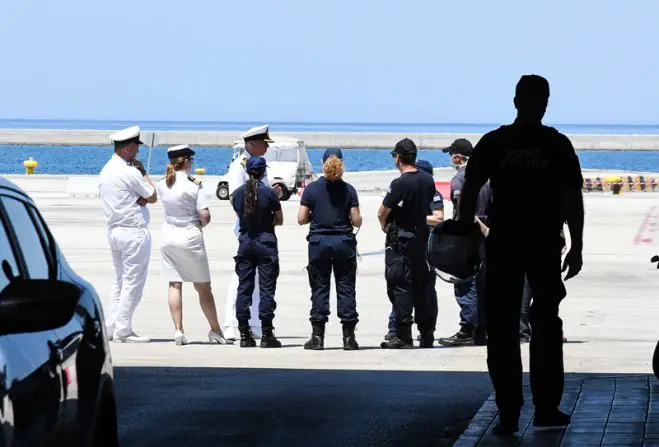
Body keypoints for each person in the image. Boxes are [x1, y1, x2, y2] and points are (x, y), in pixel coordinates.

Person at [456, 74, 584, 435]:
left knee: (502, 329)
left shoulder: (496, 142)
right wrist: (578, 244)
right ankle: (545, 408)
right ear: (544, 103)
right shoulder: (556, 145)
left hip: (505, 244)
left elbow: (470, 190)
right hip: (544, 244)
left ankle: (509, 412)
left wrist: (466, 231)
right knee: (545, 324)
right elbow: (572, 198)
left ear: (515, 101)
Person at [156, 144, 230, 346]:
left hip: (168, 234)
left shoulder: (162, 183)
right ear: (186, 161)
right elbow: (204, 215)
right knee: (203, 287)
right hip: (190, 235)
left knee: (174, 283)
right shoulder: (194, 184)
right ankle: (215, 330)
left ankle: (178, 331)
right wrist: (201, 224)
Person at [298, 148, 362, 351]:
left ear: (322, 162)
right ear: (341, 163)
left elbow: (301, 218)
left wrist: (315, 216)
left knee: (319, 288)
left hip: (319, 244)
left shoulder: (312, 189)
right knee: (346, 288)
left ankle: (317, 338)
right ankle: (349, 338)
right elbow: (357, 220)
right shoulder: (349, 190)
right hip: (343, 243)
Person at [378, 139, 438, 349]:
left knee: (400, 285)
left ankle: (404, 335)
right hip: (422, 237)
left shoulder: (399, 183)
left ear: (398, 158)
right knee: (423, 286)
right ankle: (427, 333)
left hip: (401, 239)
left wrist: (386, 227)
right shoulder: (428, 180)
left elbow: (382, 212)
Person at [99, 125, 157, 343]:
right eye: (135, 148)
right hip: (133, 232)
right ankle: (124, 328)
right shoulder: (130, 171)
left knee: (119, 282)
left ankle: (113, 325)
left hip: (114, 231)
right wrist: (143, 171)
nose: (137, 153)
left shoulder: (106, 170)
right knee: (133, 282)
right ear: (127, 149)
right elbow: (152, 195)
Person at [222, 124, 280, 341]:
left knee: (257, 281)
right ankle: (231, 324)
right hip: (247, 229)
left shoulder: (258, 165)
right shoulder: (240, 166)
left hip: (261, 229)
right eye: (264, 143)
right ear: (251, 144)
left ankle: (253, 323)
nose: (266, 147)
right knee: (241, 280)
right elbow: (235, 198)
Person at [436, 138, 491, 348]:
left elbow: (462, 211)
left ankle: (467, 328)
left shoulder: (460, 179)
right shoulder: (487, 178)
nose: (451, 158)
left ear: (458, 157)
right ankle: (482, 329)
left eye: (451, 154)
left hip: (468, 236)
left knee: (464, 282)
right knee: (483, 284)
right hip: (485, 237)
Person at [231, 156, 283, 348]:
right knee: (267, 288)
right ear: (263, 172)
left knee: (244, 287)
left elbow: (239, 215)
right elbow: (279, 219)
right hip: (265, 240)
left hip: (245, 241)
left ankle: (244, 333)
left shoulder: (237, 193)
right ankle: (267, 333)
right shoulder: (269, 193)